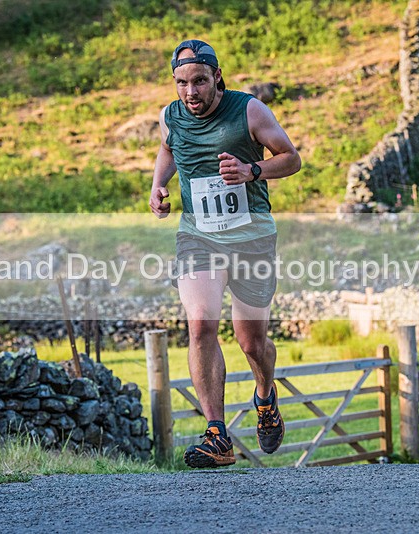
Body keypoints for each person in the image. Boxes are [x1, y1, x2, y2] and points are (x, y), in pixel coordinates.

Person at [148, 39, 301, 468]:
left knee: (251, 342)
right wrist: (158, 187)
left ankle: (265, 394)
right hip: (198, 236)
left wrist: (252, 170)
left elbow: (291, 158)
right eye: (181, 83)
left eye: (199, 81)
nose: (190, 92)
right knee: (200, 325)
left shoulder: (249, 110)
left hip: (252, 237)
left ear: (216, 76)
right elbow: (167, 149)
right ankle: (217, 435)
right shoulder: (170, 115)